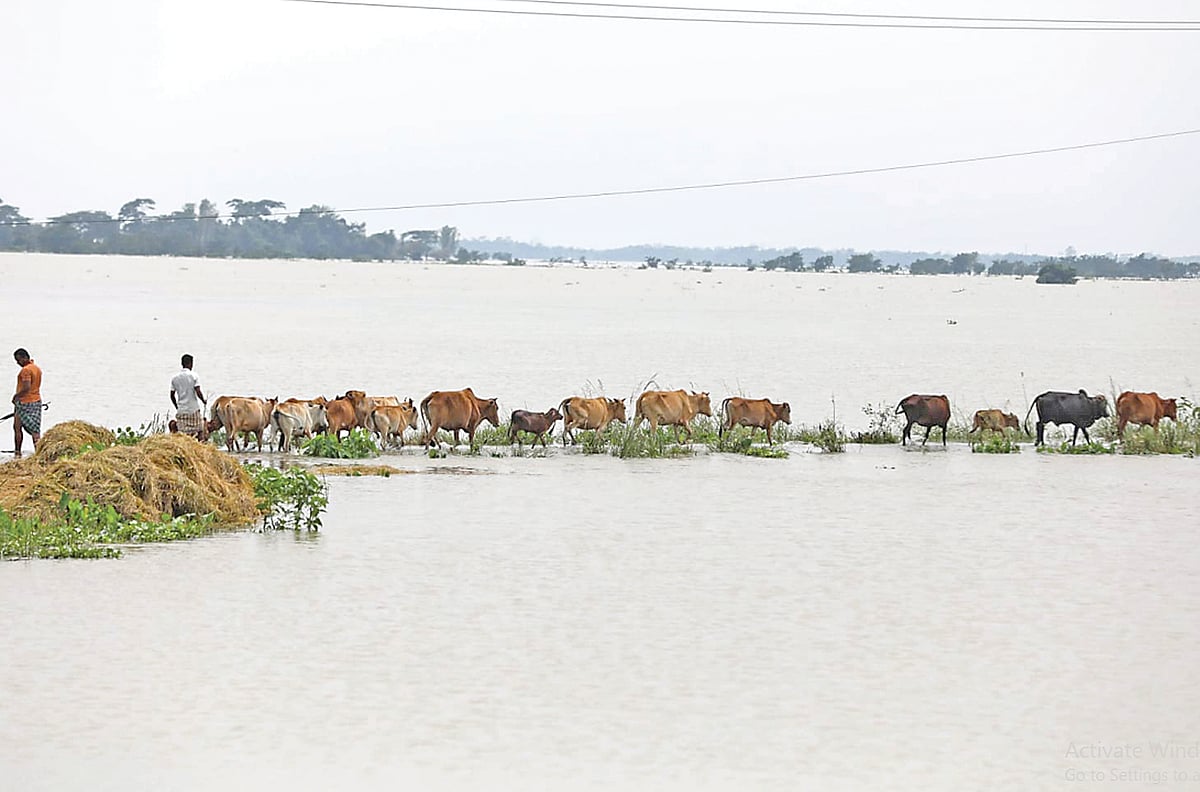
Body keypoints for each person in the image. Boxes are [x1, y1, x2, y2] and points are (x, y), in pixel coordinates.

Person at [12, 348, 43, 457]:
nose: (17, 363)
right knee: (35, 430)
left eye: (18, 360)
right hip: (36, 401)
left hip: (24, 402)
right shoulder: (36, 368)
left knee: (17, 428)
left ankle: (17, 452)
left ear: (25, 358)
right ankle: (38, 453)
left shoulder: (25, 370)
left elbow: (26, 387)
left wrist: (16, 396)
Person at [170, 354, 208, 440]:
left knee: (183, 435)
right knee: (200, 431)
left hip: (182, 411)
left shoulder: (175, 378)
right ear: (190, 364)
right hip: (193, 410)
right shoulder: (194, 376)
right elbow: (198, 391)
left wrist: (177, 406)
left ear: (182, 363)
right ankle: (201, 447)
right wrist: (203, 400)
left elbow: (172, 395)